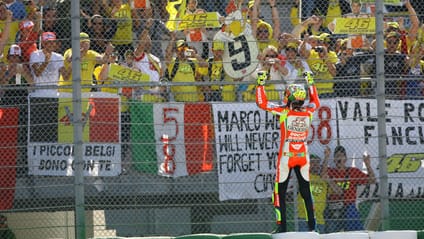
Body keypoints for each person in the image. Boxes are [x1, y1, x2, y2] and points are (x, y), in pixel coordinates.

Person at [256, 72, 320, 233]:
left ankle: (281, 227)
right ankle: (313, 227)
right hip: (303, 156)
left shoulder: (284, 112)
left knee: (279, 192)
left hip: (286, 157)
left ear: (289, 97)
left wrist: (260, 83)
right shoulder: (309, 112)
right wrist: (310, 82)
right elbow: (316, 101)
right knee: (306, 191)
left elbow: (261, 103)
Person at [324, 145, 376, 233]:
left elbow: (372, 180)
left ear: (346, 159)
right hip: (333, 208)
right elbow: (323, 175)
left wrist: (368, 165)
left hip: (348, 207)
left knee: (354, 230)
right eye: (337, 156)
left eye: (341, 156)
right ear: (334, 159)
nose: (339, 158)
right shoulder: (330, 171)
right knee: (331, 233)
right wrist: (326, 157)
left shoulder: (353, 172)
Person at [297, 147, 331, 233]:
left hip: (319, 219)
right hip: (304, 217)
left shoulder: (323, 179)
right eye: (312, 162)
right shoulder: (304, 176)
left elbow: (323, 170)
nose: (315, 164)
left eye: (317, 162)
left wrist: (327, 157)